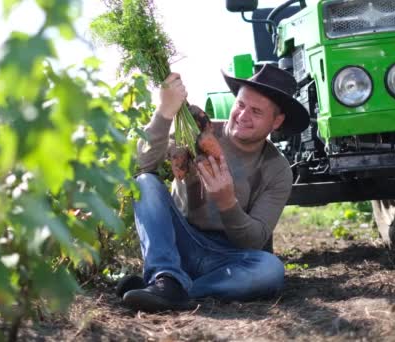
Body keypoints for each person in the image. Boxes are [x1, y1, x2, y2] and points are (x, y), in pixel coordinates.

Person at [120, 64, 310, 312]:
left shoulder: (278, 170)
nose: (242, 116)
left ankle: (177, 288)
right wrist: (165, 112)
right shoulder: (196, 133)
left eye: (256, 111)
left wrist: (227, 202)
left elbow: (255, 239)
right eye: (240, 105)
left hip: (227, 258)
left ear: (277, 121)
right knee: (145, 182)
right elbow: (141, 165)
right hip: (182, 242)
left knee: (270, 269)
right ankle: (166, 277)